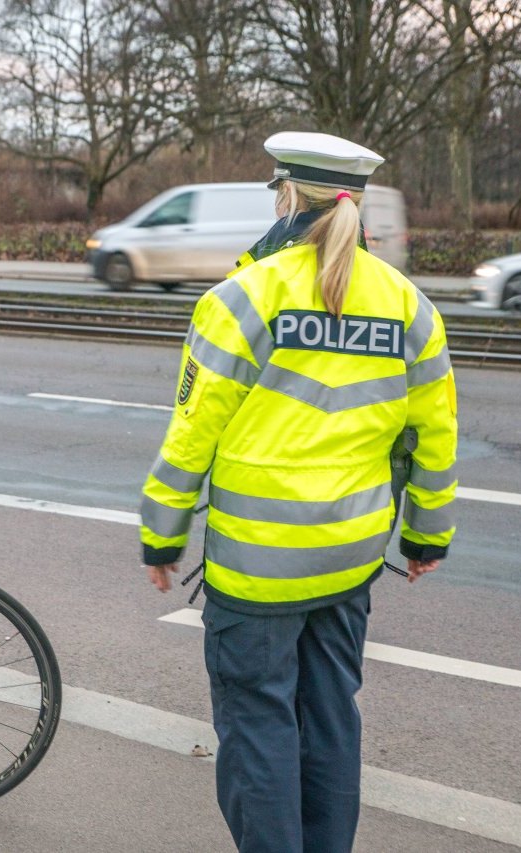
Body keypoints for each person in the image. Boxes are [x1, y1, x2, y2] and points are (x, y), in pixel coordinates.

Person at [139, 132, 458, 853]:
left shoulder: (242, 297)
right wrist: (426, 536)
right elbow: (433, 437)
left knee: (258, 724)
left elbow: (191, 434)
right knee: (331, 717)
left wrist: (162, 534)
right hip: (348, 561)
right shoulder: (411, 307)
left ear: (285, 195)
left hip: (256, 569)